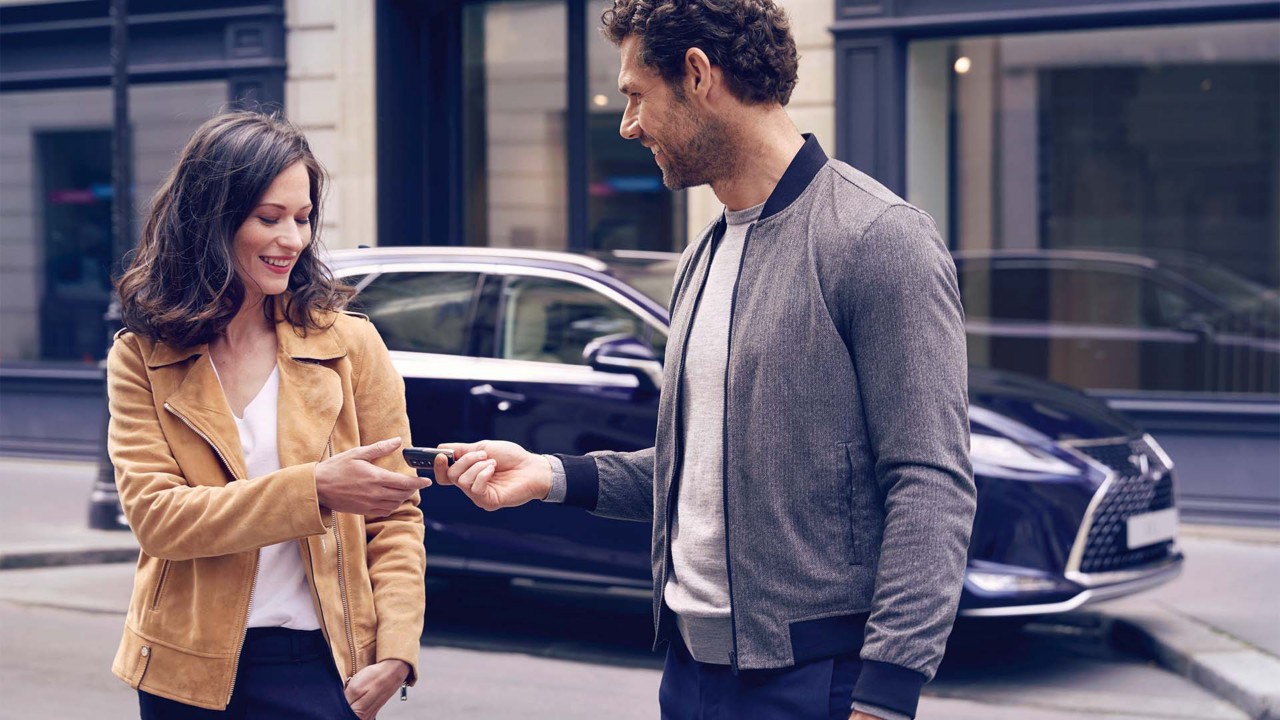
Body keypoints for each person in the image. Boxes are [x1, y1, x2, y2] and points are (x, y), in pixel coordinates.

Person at [434, 2, 976, 719]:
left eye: (635, 95)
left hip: (818, 683)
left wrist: (886, 695)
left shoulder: (879, 239)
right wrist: (551, 476)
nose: (627, 124)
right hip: (689, 678)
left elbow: (931, 482)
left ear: (697, 74)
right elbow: (706, 470)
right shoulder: (704, 255)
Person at [107, 111, 427, 719]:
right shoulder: (141, 355)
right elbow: (158, 519)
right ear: (212, 220)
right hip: (184, 672)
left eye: (303, 219)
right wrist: (316, 489)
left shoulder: (350, 346)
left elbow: (396, 513)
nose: (294, 240)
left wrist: (397, 648)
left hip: (320, 665)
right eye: (269, 218)